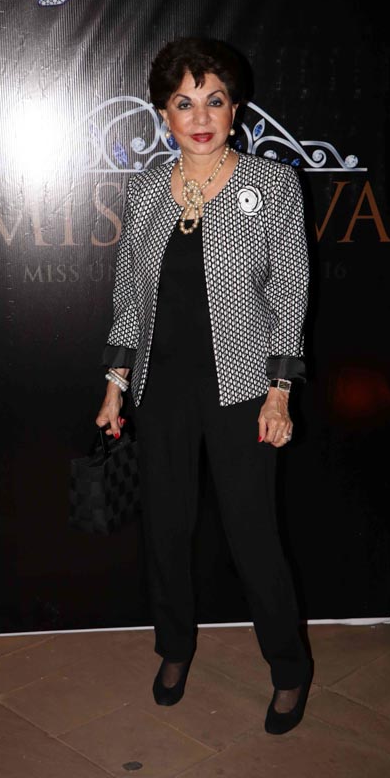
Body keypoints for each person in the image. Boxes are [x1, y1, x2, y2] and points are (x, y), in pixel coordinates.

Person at [96, 37, 313, 735]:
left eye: (213, 101)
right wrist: (115, 384)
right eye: (183, 103)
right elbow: (129, 295)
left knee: (253, 536)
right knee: (166, 530)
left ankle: (289, 669)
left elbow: (289, 292)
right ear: (163, 114)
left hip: (244, 389)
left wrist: (279, 391)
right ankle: (174, 648)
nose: (199, 117)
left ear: (234, 109)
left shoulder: (272, 185)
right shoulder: (144, 191)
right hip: (161, 390)